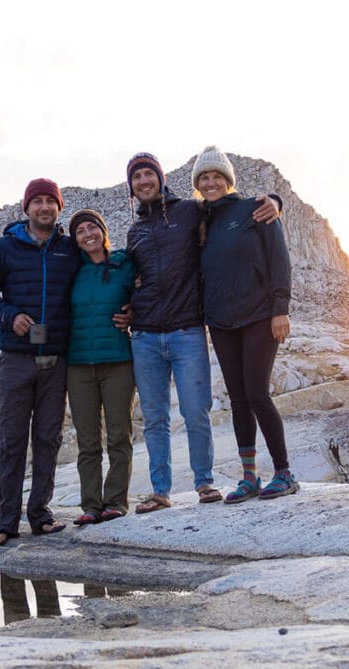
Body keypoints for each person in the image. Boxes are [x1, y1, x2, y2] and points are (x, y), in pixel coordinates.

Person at [124, 152, 281, 513]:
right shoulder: (135, 231)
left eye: (149, 173)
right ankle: (160, 491)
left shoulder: (190, 211)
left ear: (161, 179)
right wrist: (126, 308)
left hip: (187, 330)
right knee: (155, 418)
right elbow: (131, 278)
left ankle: (204, 483)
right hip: (145, 335)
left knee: (197, 411)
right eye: (137, 177)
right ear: (131, 187)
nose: (144, 181)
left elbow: (229, 207)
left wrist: (275, 201)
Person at [0, 178, 78, 546]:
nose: (44, 207)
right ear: (26, 208)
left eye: (51, 201)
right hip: (17, 358)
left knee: (49, 437)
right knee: (13, 439)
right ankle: (5, 522)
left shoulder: (70, 249)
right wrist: (9, 316)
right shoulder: (3, 248)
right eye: (38, 202)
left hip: (57, 359)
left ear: (59, 208)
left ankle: (41, 514)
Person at [192, 146, 298, 501]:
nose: (211, 183)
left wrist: (280, 307)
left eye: (217, 177)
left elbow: (279, 258)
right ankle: (249, 476)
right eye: (204, 178)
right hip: (221, 321)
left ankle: (284, 472)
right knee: (237, 398)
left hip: (258, 315)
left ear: (228, 180)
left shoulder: (255, 207)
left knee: (256, 392)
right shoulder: (201, 223)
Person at [65, 209, 137, 525]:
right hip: (78, 364)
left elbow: (147, 292)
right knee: (88, 440)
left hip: (118, 362)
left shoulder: (124, 263)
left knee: (119, 434)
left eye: (92, 226)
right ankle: (91, 505)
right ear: (75, 240)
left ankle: (116, 501)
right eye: (79, 231)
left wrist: (136, 311)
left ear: (103, 231)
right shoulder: (71, 272)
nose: (87, 233)